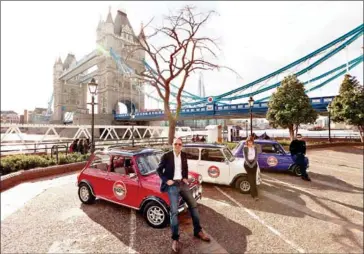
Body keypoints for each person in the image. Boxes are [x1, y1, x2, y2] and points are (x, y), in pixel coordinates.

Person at [157, 137, 210, 252]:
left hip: (182, 183)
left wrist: (185, 178)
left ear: (182, 145)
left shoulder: (184, 155)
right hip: (172, 185)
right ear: (172, 144)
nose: (177, 146)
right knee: (174, 212)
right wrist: (166, 180)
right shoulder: (166, 156)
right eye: (175, 144)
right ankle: (175, 239)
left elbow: (185, 167)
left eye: (179, 144)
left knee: (193, 205)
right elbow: (159, 170)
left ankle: (198, 231)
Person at [243, 136, 260, 201]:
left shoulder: (255, 147)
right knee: (251, 180)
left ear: (253, 142)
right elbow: (245, 158)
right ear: (247, 142)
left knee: (254, 179)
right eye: (249, 141)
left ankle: (254, 193)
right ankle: (255, 195)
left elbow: (256, 157)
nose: (250, 143)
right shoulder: (245, 148)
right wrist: (250, 165)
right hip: (247, 165)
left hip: (254, 164)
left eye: (251, 141)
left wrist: (253, 164)